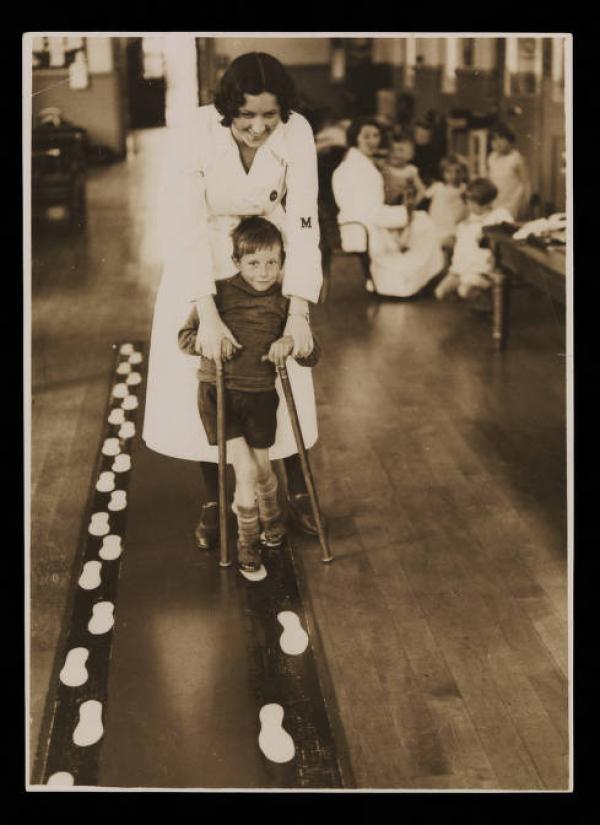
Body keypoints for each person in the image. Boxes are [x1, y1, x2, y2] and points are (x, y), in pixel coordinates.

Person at [143, 52, 324, 550]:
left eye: (270, 115)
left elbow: (305, 216)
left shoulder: (298, 130)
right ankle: (214, 496)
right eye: (247, 116)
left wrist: (300, 309)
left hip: (266, 254)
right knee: (210, 376)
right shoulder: (197, 129)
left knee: (278, 365)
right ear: (228, 109)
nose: (260, 127)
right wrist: (207, 313)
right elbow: (182, 219)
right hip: (203, 257)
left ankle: (298, 488)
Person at [178, 218, 320, 573]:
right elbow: (184, 337)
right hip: (219, 394)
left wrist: (291, 342)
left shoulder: (286, 302)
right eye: (253, 263)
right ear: (236, 262)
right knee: (244, 470)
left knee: (262, 471)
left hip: (260, 397)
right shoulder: (218, 293)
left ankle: (272, 520)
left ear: (283, 261)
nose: (263, 272)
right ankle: (247, 540)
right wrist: (208, 342)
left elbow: (312, 353)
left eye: (272, 262)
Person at [331, 117, 444, 298]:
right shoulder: (356, 168)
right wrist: (405, 212)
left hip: (366, 221)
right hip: (365, 225)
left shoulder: (360, 163)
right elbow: (371, 211)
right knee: (424, 223)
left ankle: (419, 278)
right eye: (366, 136)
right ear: (356, 138)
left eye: (376, 136)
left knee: (422, 220)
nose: (372, 140)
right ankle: (409, 281)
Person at [434, 177, 513, 301]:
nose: (469, 206)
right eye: (468, 202)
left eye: (473, 202)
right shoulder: (468, 219)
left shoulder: (498, 216)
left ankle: (486, 299)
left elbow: (507, 237)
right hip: (460, 269)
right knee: (439, 292)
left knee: (464, 291)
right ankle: (469, 291)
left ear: (488, 202)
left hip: (482, 268)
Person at [487, 123, 530, 221]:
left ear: (510, 140)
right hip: (495, 201)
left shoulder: (516, 158)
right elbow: (489, 179)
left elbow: (526, 183)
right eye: (493, 139)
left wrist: (525, 204)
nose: (497, 143)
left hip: (512, 203)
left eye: (501, 139)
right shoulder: (492, 158)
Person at [426, 154, 468, 250]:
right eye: (449, 172)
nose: (453, 176)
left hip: (453, 223)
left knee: (451, 245)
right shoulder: (438, 186)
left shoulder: (463, 188)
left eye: (457, 172)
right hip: (438, 222)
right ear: (443, 172)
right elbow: (425, 196)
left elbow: (466, 206)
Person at [381, 136, 427, 206]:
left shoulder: (410, 170)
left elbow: (422, 190)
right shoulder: (385, 167)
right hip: (383, 203)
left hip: (400, 206)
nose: (395, 153)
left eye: (400, 150)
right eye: (393, 150)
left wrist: (413, 204)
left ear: (410, 155)